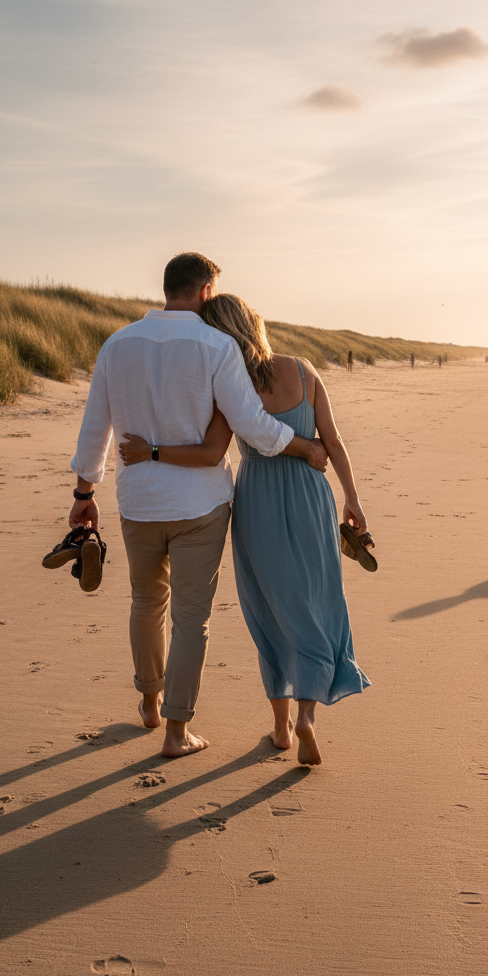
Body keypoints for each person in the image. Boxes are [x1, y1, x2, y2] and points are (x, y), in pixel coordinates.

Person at [70, 252, 328, 758]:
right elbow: (252, 425)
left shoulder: (116, 345)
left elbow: (93, 428)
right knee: (191, 617)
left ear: (168, 286)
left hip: (138, 501)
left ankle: (149, 702)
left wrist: (84, 495)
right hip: (200, 506)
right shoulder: (215, 346)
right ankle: (175, 732)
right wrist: (304, 447)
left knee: (146, 602)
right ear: (206, 291)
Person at [120, 293, 371, 766]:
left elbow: (214, 449)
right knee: (314, 602)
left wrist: (151, 452)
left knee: (270, 610)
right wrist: (353, 500)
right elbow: (332, 443)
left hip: (257, 501)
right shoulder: (302, 370)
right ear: (256, 323)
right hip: (310, 499)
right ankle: (307, 718)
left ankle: (280, 729)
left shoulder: (229, 385)